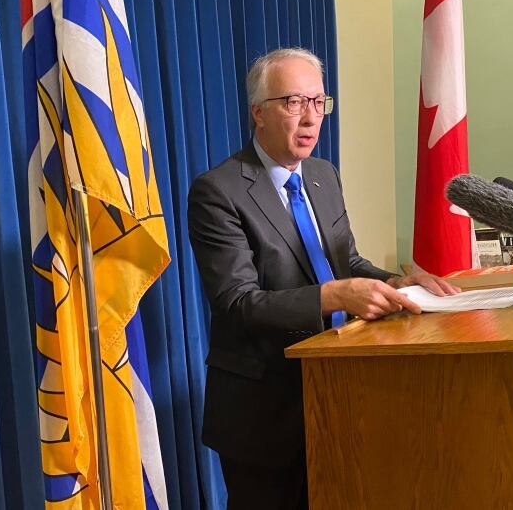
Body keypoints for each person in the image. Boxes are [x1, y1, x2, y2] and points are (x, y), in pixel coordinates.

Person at [187, 47, 459, 509]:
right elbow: (237, 303)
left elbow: (346, 261)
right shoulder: (219, 191)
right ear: (259, 113)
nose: (311, 118)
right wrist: (334, 296)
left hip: (338, 393)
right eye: (294, 103)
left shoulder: (321, 174)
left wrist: (397, 283)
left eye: (318, 102)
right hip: (264, 414)